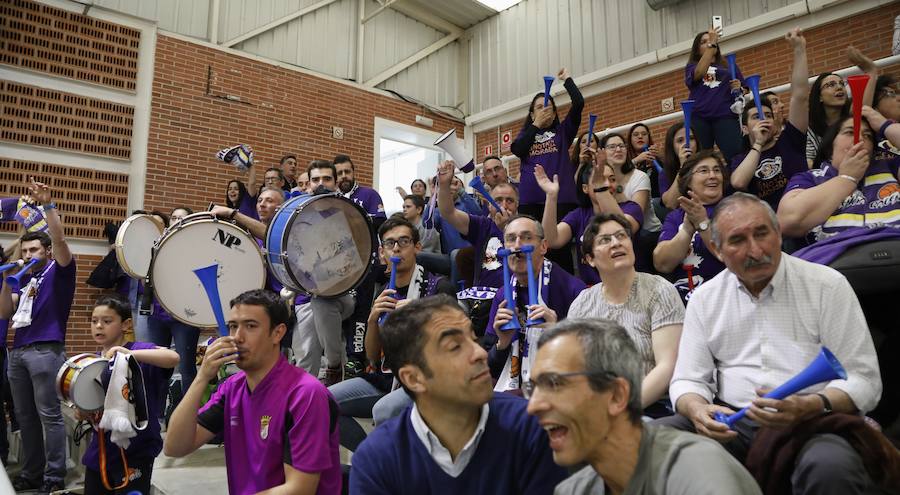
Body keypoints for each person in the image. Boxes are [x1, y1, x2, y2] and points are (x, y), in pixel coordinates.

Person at [655, 192, 883, 495]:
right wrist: (696, 408)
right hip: (732, 424)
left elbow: (865, 379)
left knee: (830, 466)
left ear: (778, 234)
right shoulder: (705, 299)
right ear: (719, 251)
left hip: (812, 421)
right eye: (737, 240)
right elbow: (687, 379)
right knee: (652, 440)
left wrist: (814, 404)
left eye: (762, 233)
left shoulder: (827, 285)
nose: (756, 249)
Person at [349, 295, 567, 494]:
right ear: (413, 378)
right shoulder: (378, 458)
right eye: (455, 347)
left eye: (474, 339)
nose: (480, 353)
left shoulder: (530, 428)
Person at [528, 319, 762, 495]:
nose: (533, 406)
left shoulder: (698, 474)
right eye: (534, 387)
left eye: (555, 383)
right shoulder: (572, 490)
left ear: (616, 395)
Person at [165, 289, 341, 495]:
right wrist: (202, 377)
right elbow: (174, 447)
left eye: (250, 326)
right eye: (233, 327)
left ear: (278, 333)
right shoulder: (232, 387)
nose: (237, 337)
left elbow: (300, 489)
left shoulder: (305, 394)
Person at [328, 216, 455, 452]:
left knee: (384, 410)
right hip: (387, 375)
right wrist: (373, 319)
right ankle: (371, 457)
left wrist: (419, 314)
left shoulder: (439, 286)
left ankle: (390, 467)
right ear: (382, 252)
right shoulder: (382, 289)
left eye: (404, 241)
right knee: (322, 402)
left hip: (428, 377)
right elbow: (372, 356)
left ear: (417, 247)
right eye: (389, 243)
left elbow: (453, 342)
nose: (396, 248)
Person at [568, 213, 683, 417]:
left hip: (651, 406)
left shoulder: (660, 291)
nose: (616, 243)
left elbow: (668, 366)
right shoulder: (582, 304)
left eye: (621, 236)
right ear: (590, 259)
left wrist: (621, 410)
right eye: (605, 240)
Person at [0, 179, 74, 494]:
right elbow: (5, 312)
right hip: (18, 352)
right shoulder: (25, 280)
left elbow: (58, 239)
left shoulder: (59, 270)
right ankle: (32, 473)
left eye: (35, 249)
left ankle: (54, 477)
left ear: (45, 252)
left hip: (46, 351)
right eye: (26, 249)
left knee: (50, 417)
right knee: (25, 418)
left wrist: (48, 206)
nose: (29, 254)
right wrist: (6, 279)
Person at [80, 295, 178, 494]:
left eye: (107, 321)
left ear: (125, 325)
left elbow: (173, 357)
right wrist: (83, 410)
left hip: (136, 451)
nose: (99, 326)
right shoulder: (93, 362)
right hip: (101, 452)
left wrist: (127, 354)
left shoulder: (137, 350)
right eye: (94, 321)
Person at [485, 215, 585, 392]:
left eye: (526, 237)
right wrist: (502, 344)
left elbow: (589, 360)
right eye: (510, 239)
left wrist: (558, 331)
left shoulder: (573, 290)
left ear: (544, 246)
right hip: (514, 390)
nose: (517, 246)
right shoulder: (503, 295)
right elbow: (489, 368)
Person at [779, 107, 900, 244]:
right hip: (837, 259)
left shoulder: (891, 167)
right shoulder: (809, 178)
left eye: (867, 135)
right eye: (849, 132)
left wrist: (884, 126)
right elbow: (788, 220)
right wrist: (847, 178)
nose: (860, 138)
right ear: (831, 145)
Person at [730, 28, 809, 211]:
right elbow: (739, 182)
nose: (763, 120)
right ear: (744, 129)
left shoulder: (791, 139)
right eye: (756, 117)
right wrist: (758, 143)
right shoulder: (739, 159)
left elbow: (800, 96)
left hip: (803, 209)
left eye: (768, 115)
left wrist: (799, 50)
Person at [538, 156, 643, 285]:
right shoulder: (578, 215)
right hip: (592, 290)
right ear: (585, 188)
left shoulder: (631, 208)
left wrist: (600, 189)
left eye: (612, 179)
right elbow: (552, 240)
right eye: (599, 179)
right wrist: (551, 196)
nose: (608, 184)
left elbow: (622, 227)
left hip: (628, 284)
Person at [653, 150, 729, 303]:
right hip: (684, 300)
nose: (713, 175)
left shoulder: (735, 207)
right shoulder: (676, 217)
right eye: (703, 171)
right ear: (688, 181)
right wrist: (687, 230)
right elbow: (662, 264)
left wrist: (702, 224)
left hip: (724, 295)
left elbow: (732, 256)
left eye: (717, 170)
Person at [511, 67, 583, 221]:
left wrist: (567, 80)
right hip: (530, 203)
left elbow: (578, 103)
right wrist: (536, 125)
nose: (544, 109)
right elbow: (518, 149)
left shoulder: (563, 132)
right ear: (531, 115)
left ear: (555, 113)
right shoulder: (526, 134)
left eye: (548, 107)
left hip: (562, 201)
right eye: (539, 108)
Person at [146, 207, 202, 398]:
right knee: (157, 365)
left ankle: (192, 414)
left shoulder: (197, 248)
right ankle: (157, 413)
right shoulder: (157, 244)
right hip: (158, 313)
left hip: (185, 316)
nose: (176, 220)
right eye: (173, 217)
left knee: (186, 366)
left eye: (181, 218)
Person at [806, 47, 877, 166]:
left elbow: (860, 110)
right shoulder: (810, 129)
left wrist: (870, 70)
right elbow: (809, 164)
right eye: (830, 85)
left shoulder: (851, 117)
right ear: (819, 97)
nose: (839, 87)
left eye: (841, 84)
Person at [685, 28, 745, 162]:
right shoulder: (692, 66)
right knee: (700, 158)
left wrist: (739, 88)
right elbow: (699, 73)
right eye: (704, 42)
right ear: (697, 49)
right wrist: (712, 44)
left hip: (725, 115)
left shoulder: (728, 64)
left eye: (711, 40)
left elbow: (745, 89)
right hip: (699, 117)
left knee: (735, 155)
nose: (709, 43)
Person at [659, 121, 699, 212]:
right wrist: (683, 167)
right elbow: (670, 204)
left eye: (691, 138)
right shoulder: (665, 173)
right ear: (672, 146)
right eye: (680, 140)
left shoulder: (709, 163)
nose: (687, 144)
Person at [627, 123, 662, 198]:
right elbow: (621, 172)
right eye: (636, 134)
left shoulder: (656, 155)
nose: (640, 137)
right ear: (630, 139)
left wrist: (661, 158)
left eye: (644, 134)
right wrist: (636, 160)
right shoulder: (625, 158)